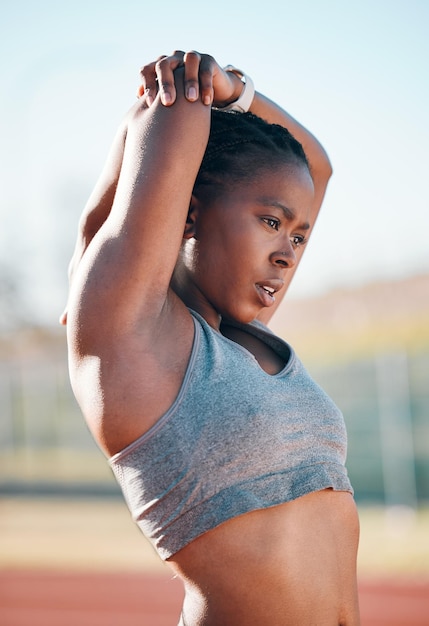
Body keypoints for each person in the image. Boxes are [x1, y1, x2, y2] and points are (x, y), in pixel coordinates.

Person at [63, 50, 360, 625]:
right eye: (271, 222)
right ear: (189, 216)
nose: (287, 254)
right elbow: (180, 107)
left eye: (298, 238)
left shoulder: (246, 339)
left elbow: (315, 167)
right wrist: (196, 87)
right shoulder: (130, 337)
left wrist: (241, 93)